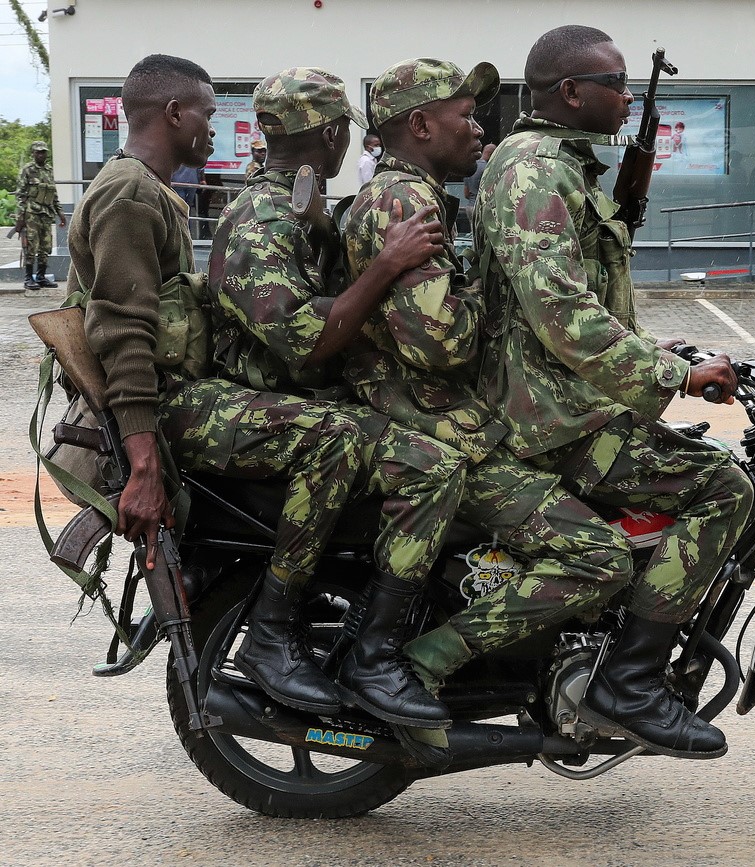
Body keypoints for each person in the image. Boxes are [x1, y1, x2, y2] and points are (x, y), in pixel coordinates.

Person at [66, 55, 376, 722]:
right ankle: (273, 628)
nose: (217, 126)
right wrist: (144, 467)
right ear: (176, 114)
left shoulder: (156, 192)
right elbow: (124, 334)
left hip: (177, 394)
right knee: (337, 438)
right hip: (164, 406)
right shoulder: (128, 195)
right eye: (208, 112)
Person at [475, 25, 755, 760]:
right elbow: (560, 312)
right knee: (725, 486)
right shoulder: (534, 172)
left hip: (561, 398)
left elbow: (574, 304)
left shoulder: (558, 168)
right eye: (616, 83)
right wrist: (677, 377)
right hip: (553, 420)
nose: (628, 97)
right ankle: (629, 683)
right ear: (571, 92)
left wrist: (653, 351)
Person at [342, 58, 635, 750]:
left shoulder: (417, 198)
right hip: (434, 429)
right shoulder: (401, 203)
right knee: (600, 554)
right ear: (419, 125)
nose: (480, 128)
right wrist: (500, 303)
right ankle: (416, 659)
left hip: (444, 423)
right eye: (466, 115)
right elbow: (440, 343)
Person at [209, 67, 468, 729]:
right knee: (421, 461)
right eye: (344, 131)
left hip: (285, 396)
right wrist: (387, 266)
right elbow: (305, 341)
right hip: (251, 402)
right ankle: (313, 637)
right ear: (330, 134)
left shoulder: (296, 202)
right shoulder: (262, 217)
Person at [16, 141, 65, 289]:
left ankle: (41, 276)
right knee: (31, 246)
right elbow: (20, 195)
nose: (41, 154)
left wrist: (60, 213)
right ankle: (28, 278)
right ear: (33, 153)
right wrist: (20, 217)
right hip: (32, 214)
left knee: (45, 247)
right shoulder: (27, 170)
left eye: (43, 152)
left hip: (46, 214)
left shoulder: (49, 170)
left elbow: (53, 194)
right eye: (38, 152)